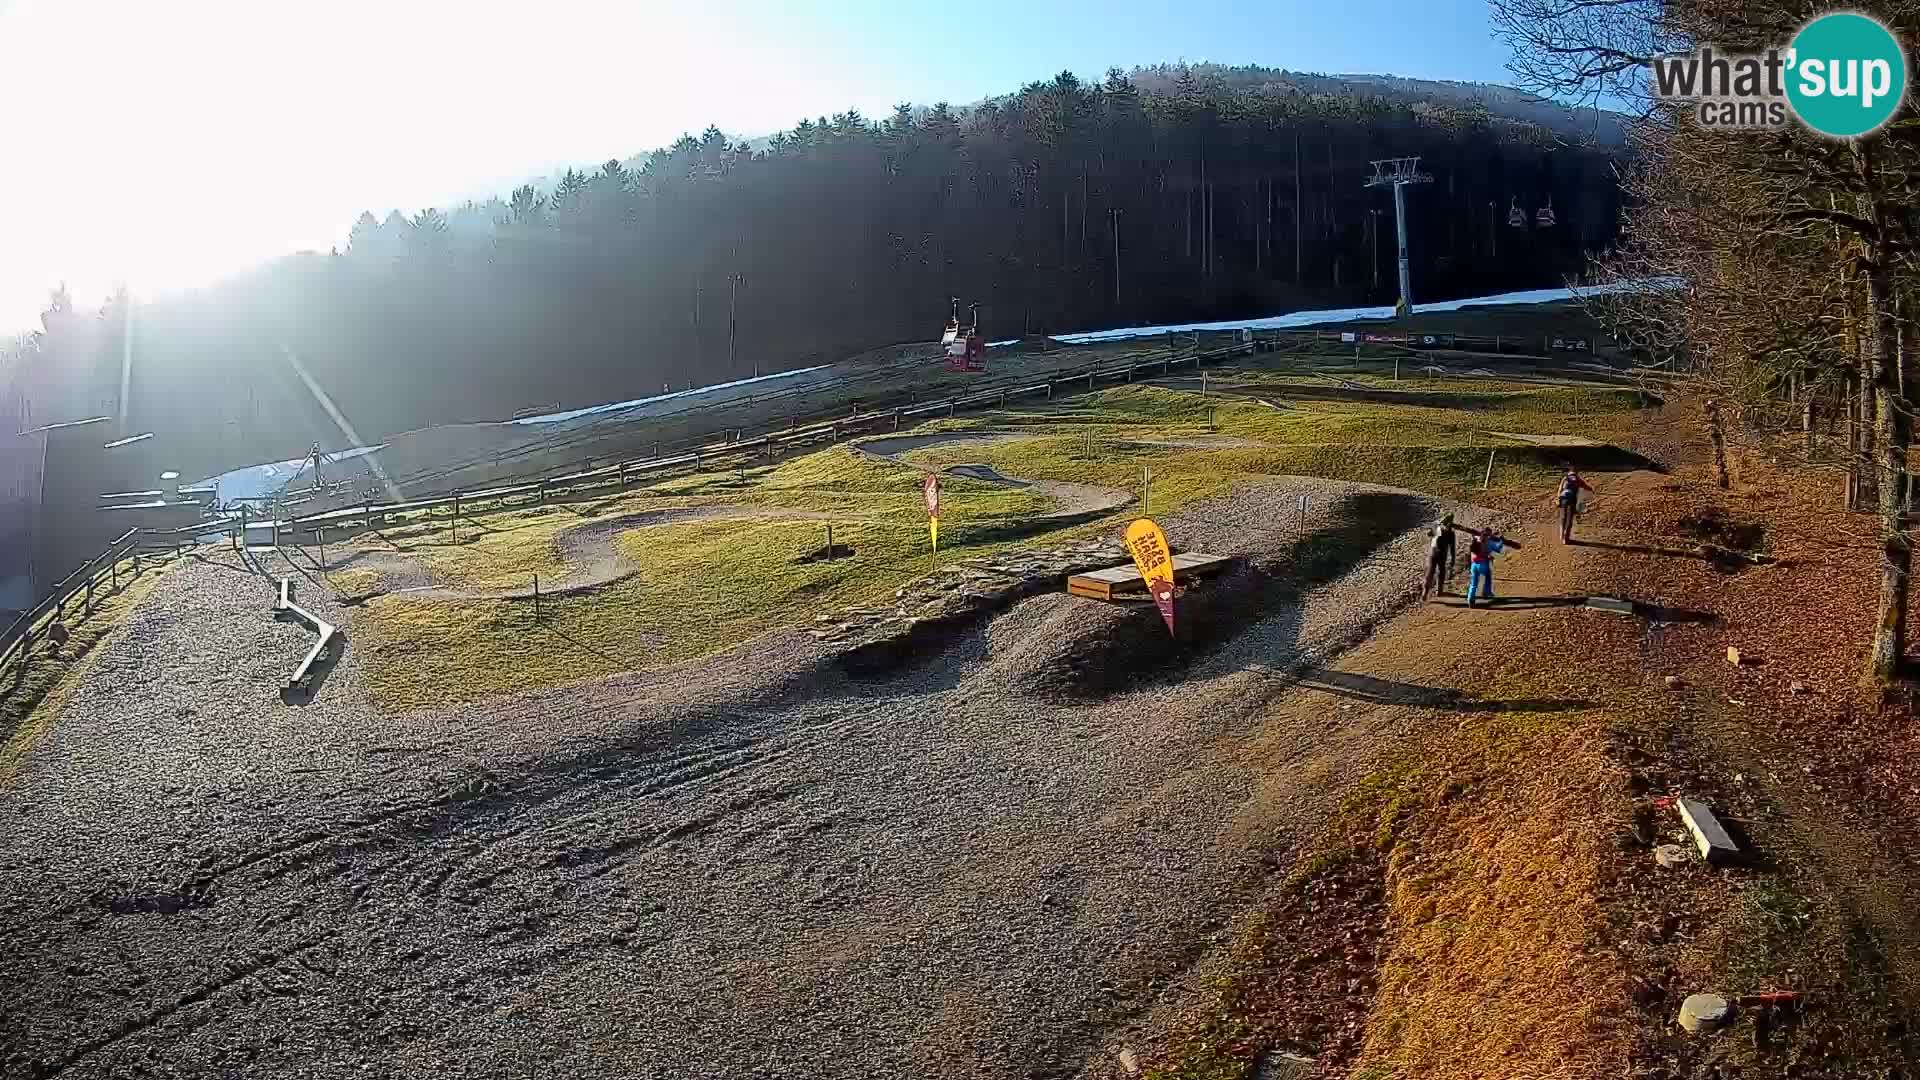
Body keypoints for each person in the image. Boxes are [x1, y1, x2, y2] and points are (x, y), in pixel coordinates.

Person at [1465, 526, 1520, 608]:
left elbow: (1473, 536)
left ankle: (1470, 599)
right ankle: (1487, 592)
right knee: (1488, 575)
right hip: (1483, 563)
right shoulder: (1489, 542)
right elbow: (1498, 549)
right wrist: (1502, 541)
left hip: (1474, 564)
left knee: (1474, 583)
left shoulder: (1476, 539)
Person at [1423, 513, 1458, 600]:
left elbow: (1428, 534)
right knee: (1441, 572)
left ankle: (1425, 592)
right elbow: (1452, 548)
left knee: (1430, 572)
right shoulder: (1451, 533)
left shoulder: (1437, 528)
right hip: (1442, 554)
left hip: (1432, 553)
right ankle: (1439, 591)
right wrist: (1453, 560)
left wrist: (1435, 526)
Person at [1556, 467, 1594, 543]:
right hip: (1572, 499)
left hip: (1563, 498)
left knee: (1563, 517)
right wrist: (1592, 489)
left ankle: (1561, 536)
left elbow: (1560, 490)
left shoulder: (1565, 478)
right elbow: (1586, 487)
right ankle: (1566, 539)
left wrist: (1558, 499)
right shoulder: (1577, 479)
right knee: (1569, 519)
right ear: (1576, 472)